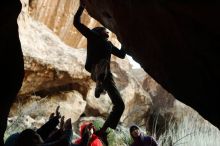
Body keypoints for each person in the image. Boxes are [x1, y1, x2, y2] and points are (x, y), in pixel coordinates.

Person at [73, 0, 126, 137]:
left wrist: (125, 40)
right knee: (103, 63)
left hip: (105, 74)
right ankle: (99, 83)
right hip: (94, 68)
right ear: (98, 31)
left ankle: (105, 132)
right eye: (105, 29)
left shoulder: (108, 45)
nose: (107, 30)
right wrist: (81, 7)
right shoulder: (93, 36)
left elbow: (121, 54)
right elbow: (76, 23)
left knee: (119, 106)